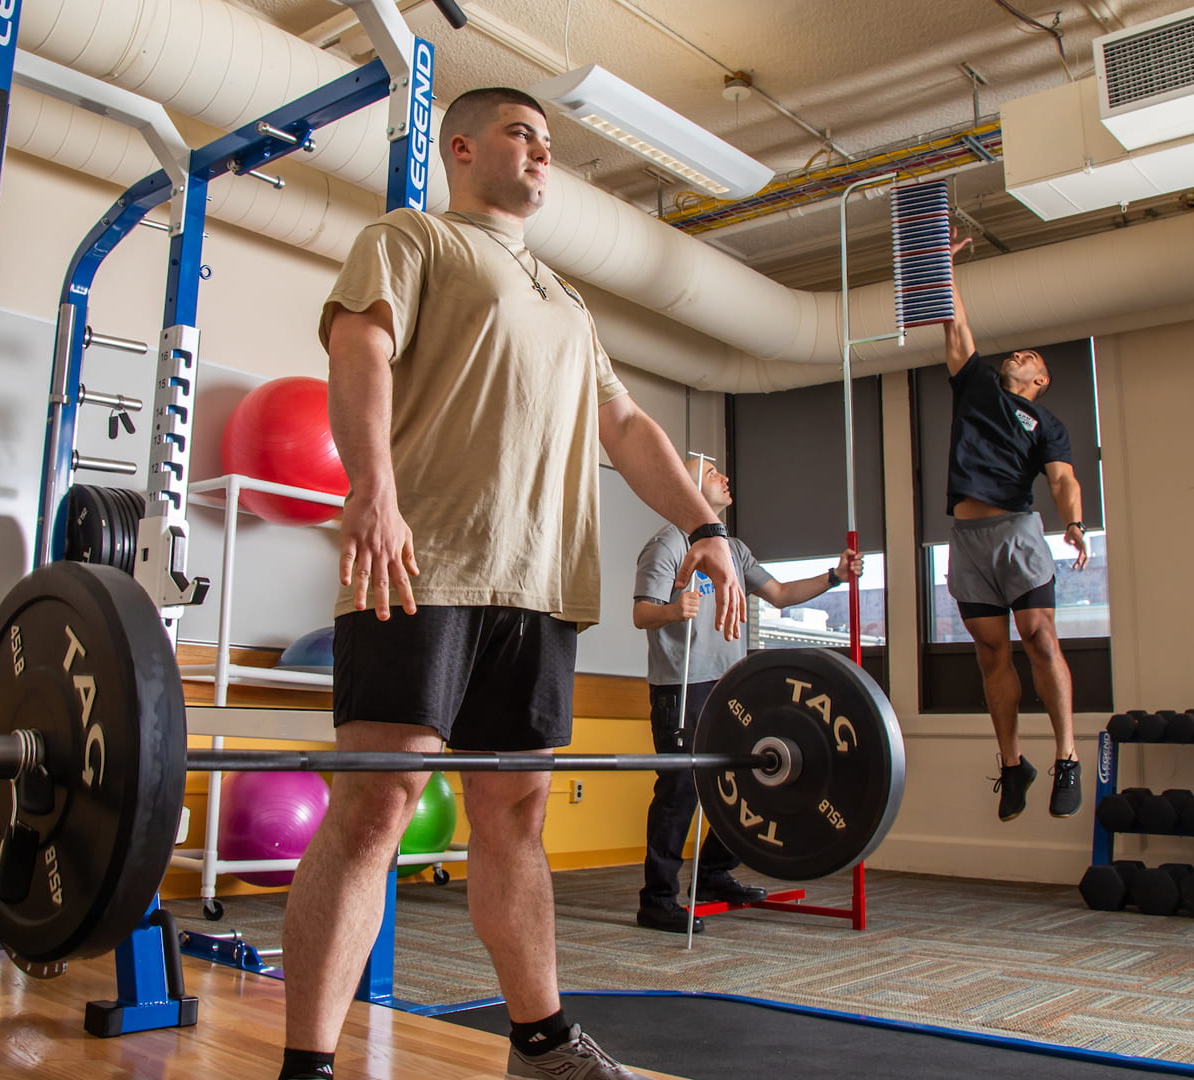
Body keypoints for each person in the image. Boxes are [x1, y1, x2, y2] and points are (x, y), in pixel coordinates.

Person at [275, 87, 746, 1080]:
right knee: (375, 807)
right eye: (521, 135)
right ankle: (307, 1063)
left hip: (540, 588)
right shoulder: (413, 240)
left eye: (548, 143)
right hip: (422, 563)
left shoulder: (568, 300)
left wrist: (704, 526)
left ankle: (539, 1040)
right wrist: (371, 489)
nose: (540, 154)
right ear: (461, 148)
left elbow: (624, 429)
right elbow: (359, 345)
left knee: (515, 816)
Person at [631, 455, 863, 933]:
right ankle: (657, 900)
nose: (724, 478)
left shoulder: (733, 548)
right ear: (692, 488)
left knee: (751, 784)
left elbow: (779, 594)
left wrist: (835, 576)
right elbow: (641, 614)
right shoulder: (666, 545)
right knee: (681, 791)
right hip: (683, 685)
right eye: (713, 472)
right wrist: (675, 610)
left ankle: (714, 874)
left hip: (731, 684)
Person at [942, 231, 1090, 823]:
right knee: (989, 653)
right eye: (1016, 354)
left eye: (1030, 358)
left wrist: (1074, 523)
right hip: (967, 541)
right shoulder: (975, 386)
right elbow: (955, 328)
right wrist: (946, 268)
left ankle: (1067, 757)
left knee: (1039, 637)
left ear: (1042, 379)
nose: (1018, 357)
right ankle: (1011, 765)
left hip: (1016, 534)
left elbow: (1061, 481)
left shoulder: (1046, 422)